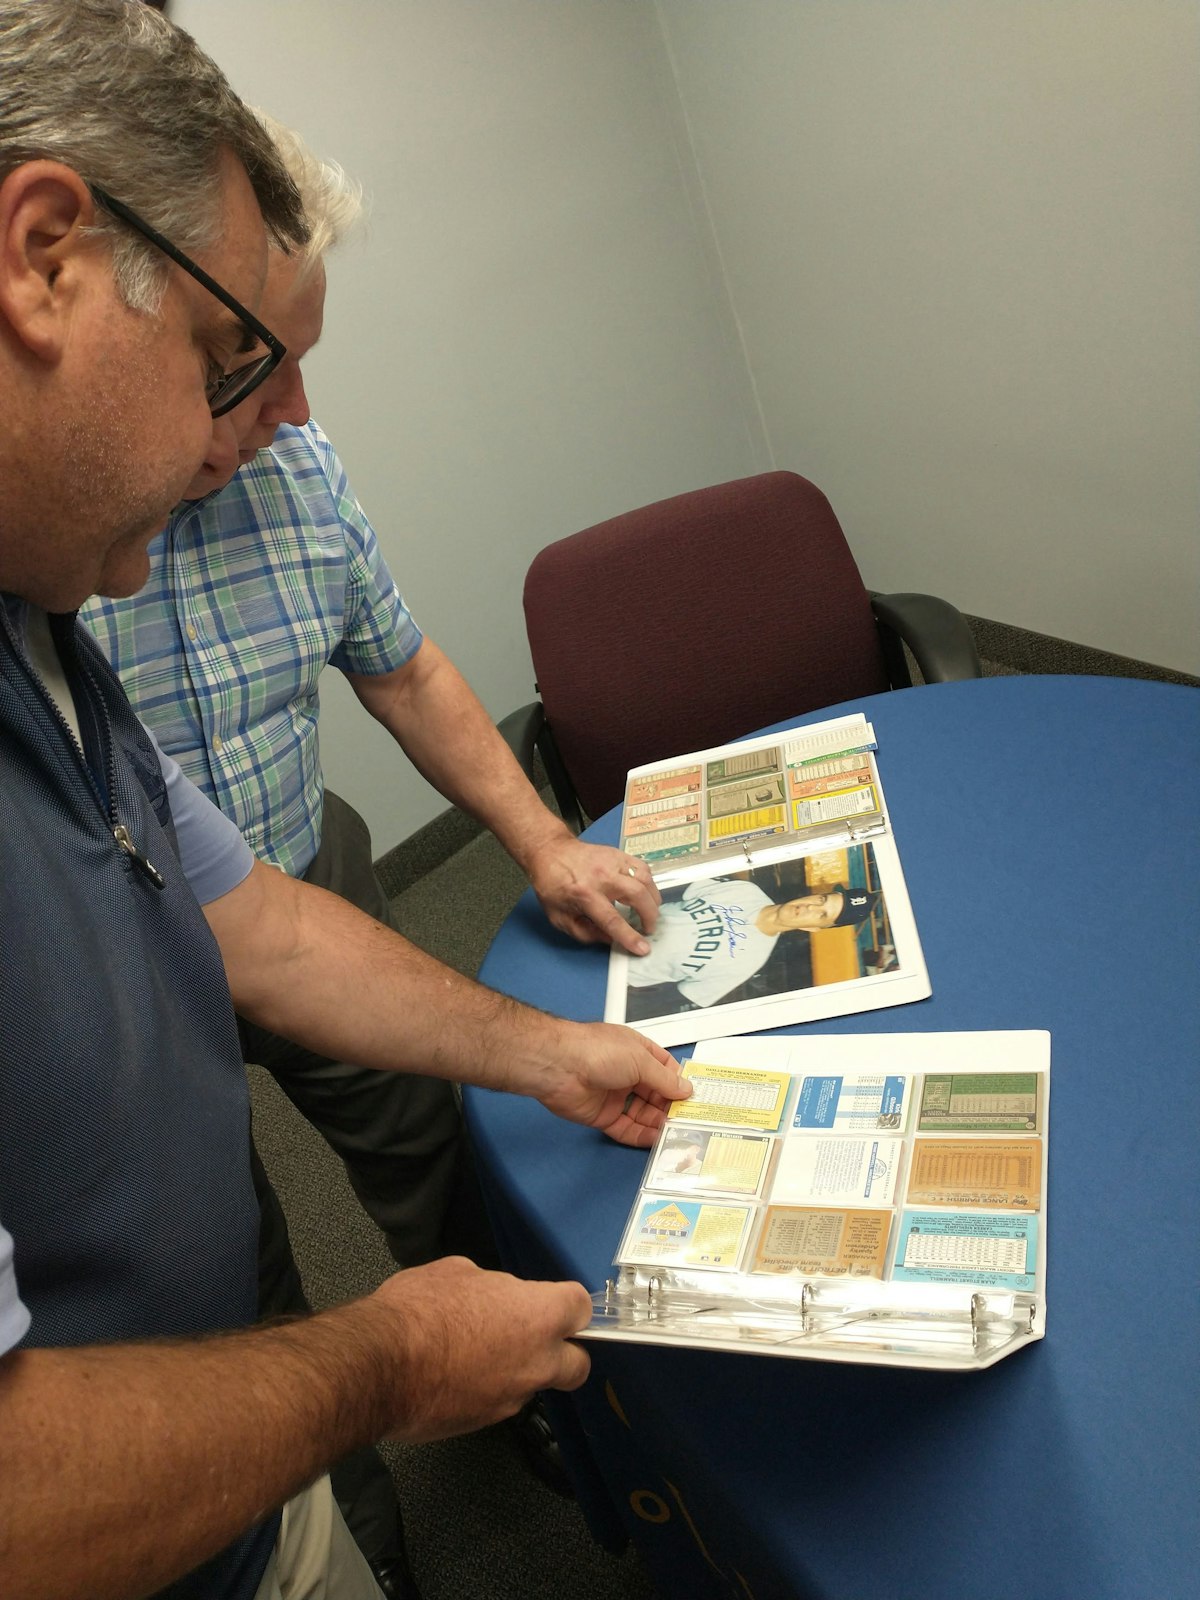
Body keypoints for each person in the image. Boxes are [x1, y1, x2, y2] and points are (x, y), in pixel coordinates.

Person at [0, 7, 688, 1599]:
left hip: (223, 1502)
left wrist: (546, 1050)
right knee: (252, 1270)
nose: (271, 417)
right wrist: (377, 1367)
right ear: (44, 261)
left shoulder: (41, 616)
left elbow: (253, 920)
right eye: (234, 366)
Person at [628, 877, 882, 1009]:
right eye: (821, 899)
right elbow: (672, 890)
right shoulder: (744, 890)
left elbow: (676, 995)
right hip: (616, 921)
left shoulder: (750, 963)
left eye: (822, 914)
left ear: (813, 928)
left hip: (622, 972)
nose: (810, 907)